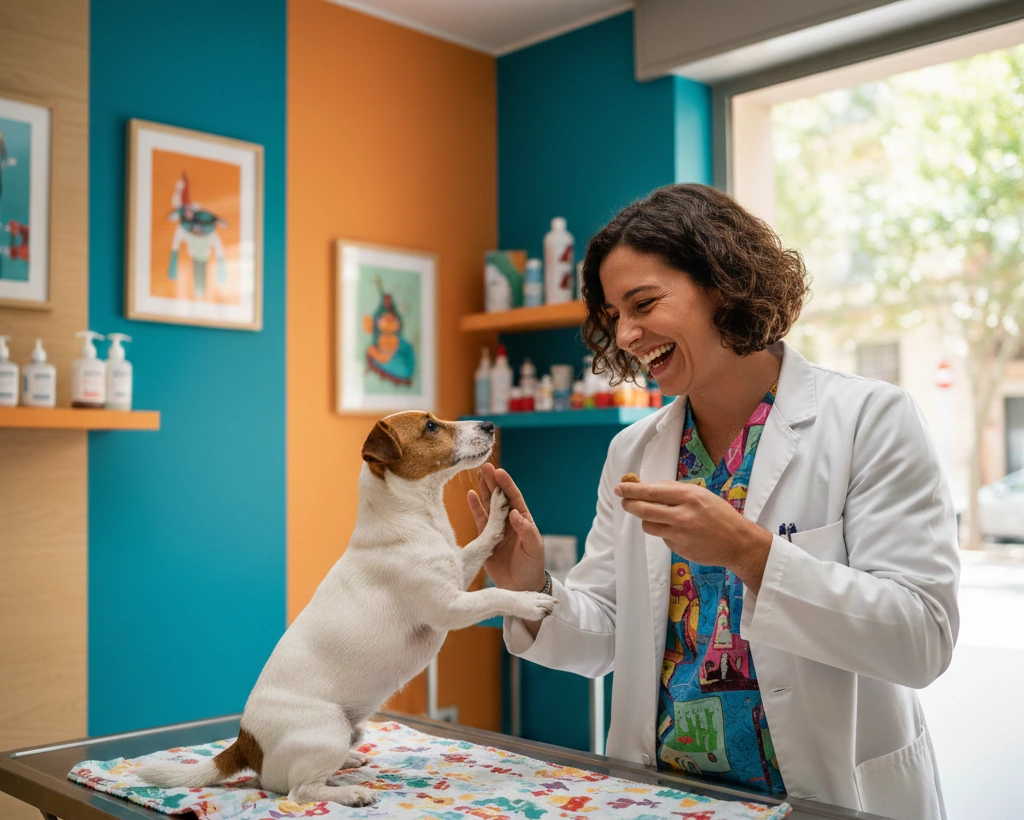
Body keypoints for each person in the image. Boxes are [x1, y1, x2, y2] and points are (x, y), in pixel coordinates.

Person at [467, 184, 959, 820]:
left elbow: (921, 639)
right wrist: (530, 587)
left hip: (827, 798)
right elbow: (608, 633)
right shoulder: (633, 451)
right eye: (615, 314)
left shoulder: (870, 419)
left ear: (724, 283)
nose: (627, 333)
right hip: (667, 797)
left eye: (643, 303)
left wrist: (749, 553)